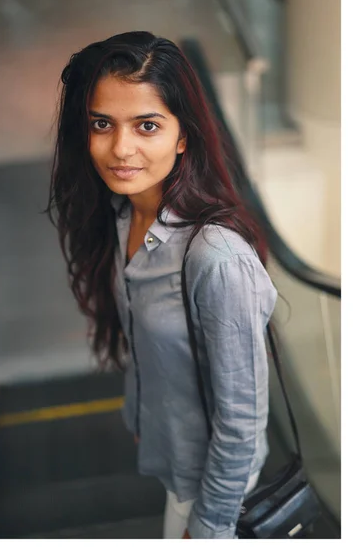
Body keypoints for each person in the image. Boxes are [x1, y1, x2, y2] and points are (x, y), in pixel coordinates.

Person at [45, 31, 277, 538]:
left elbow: (242, 424)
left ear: (182, 135)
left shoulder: (216, 259)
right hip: (168, 453)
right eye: (102, 124)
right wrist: (143, 418)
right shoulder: (121, 212)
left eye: (146, 125)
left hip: (212, 485)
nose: (120, 149)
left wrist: (210, 528)